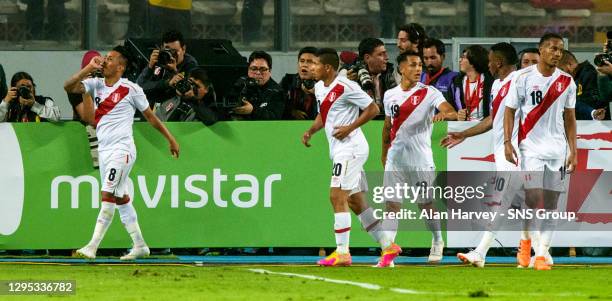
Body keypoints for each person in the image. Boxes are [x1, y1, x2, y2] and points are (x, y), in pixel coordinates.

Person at [64, 45, 180, 260]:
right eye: (104, 58)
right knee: (120, 197)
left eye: (109, 59)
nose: (104, 61)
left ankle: (92, 246)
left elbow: (151, 117)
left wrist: (171, 139)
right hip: (104, 150)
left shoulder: (131, 88)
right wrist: (87, 68)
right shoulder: (95, 84)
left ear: (120, 67)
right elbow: (68, 86)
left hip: (122, 149)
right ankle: (140, 245)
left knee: (107, 194)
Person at [441, 42, 525, 267]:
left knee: (502, 200)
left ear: (498, 62)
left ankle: (481, 252)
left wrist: (512, 143)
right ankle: (534, 251)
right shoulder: (498, 85)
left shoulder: (520, 81)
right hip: (501, 150)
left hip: (516, 151)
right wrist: (464, 134)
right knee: (527, 202)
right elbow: (492, 119)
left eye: (490, 61)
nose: (487, 65)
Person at [504, 33, 577, 270]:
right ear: (541, 49)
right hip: (530, 149)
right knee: (533, 198)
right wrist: (508, 141)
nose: (557, 53)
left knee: (552, 203)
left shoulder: (566, 81)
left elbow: (570, 118)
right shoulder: (522, 77)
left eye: (560, 50)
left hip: (557, 150)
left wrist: (573, 151)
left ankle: (542, 254)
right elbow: (510, 110)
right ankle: (526, 241)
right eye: (552, 48)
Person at [377, 51, 457, 267]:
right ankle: (388, 252)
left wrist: (444, 114)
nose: (418, 68)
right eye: (413, 65)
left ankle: (438, 241)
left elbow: (450, 111)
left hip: (420, 160)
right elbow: (387, 126)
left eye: (420, 65)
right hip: (395, 159)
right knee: (392, 205)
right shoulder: (390, 95)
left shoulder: (429, 93)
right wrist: (384, 153)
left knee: (426, 205)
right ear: (401, 68)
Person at [301, 48, 380, 267]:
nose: (310, 67)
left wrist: (350, 127)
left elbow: (373, 109)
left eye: (315, 64)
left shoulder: (347, 86)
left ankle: (342, 252)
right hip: (339, 149)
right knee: (355, 201)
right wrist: (311, 130)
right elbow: (324, 114)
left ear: (327, 67)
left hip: (351, 147)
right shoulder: (319, 87)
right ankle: (388, 244)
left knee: (336, 196)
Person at [137, 30, 198, 106]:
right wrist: (150, 67)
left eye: (174, 51)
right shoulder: (160, 60)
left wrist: (174, 71)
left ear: (183, 49)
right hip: (154, 107)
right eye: (168, 50)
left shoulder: (190, 64)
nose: (171, 54)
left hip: (174, 109)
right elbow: (139, 86)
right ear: (162, 48)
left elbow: (187, 92)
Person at [155, 68, 223, 125]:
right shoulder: (173, 99)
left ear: (206, 89)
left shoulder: (208, 107)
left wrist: (192, 100)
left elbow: (211, 119)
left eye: (196, 86)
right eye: (190, 83)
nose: (191, 88)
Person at [231, 51, 285, 120]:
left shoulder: (277, 92)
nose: (258, 73)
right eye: (254, 69)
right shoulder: (240, 84)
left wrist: (253, 110)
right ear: (248, 70)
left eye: (263, 69)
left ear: (270, 71)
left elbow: (274, 117)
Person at [349, 38, 397, 114]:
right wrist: (350, 84)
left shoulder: (390, 74)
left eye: (385, 53)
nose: (387, 58)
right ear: (367, 58)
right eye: (381, 54)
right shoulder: (351, 77)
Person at [558, 49, 607, 120]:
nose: (559, 74)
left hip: (596, 126)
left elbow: (593, 103)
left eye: (561, 69)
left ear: (569, 64)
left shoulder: (589, 75)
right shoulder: (575, 79)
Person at [451, 45, 494, 120]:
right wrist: (457, 115)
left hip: (485, 128)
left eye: (464, 57)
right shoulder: (456, 82)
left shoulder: (490, 82)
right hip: (463, 127)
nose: (460, 60)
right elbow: (451, 107)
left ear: (473, 60)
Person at [280, 47, 318, 120]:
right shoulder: (288, 81)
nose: (304, 65)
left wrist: (317, 93)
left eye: (309, 61)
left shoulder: (326, 85)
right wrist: (291, 112)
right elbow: (276, 105)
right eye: (302, 61)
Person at [420, 38, 458, 102]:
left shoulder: (454, 78)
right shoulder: (419, 78)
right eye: (426, 58)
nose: (429, 62)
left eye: (433, 58)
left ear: (443, 57)